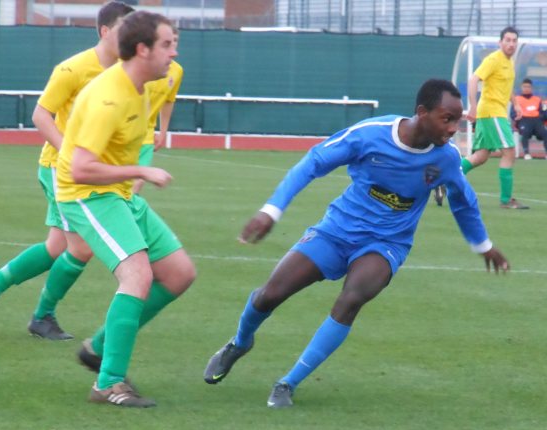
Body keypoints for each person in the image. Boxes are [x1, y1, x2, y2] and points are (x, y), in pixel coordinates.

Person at [203, 79, 510, 409]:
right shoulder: (371, 134)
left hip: (386, 243)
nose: (453, 129)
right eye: (446, 119)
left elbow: (464, 202)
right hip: (336, 231)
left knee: (351, 299)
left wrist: (483, 246)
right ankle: (239, 343)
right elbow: (313, 163)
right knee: (270, 295)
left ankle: (287, 383)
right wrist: (271, 210)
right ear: (421, 113)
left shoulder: (446, 159)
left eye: (457, 120)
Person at [0, 1, 135, 339]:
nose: (132, 39)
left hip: (85, 171)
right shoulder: (72, 69)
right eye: (125, 31)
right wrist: (69, 153)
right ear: (104, 31)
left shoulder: (123, 71)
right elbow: (41, 115)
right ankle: (41, 315)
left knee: (57, 247)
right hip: (60, 169)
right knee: (80, 248)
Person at [56, 11, 194, 408]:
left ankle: (99, 347)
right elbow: (81, 168)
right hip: (87, 194)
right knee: (138, 275)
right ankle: (108, 384)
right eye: (167, 44)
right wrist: (141, 170)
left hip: (117, 193)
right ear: (142, 49)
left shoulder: (144, 86)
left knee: (180, 274)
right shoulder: (109, 97)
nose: (174, 53)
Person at [462, 26, 528, 209]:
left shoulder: (509, 63)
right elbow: (474, 79)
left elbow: (507, 87)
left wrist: (515, 104)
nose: (511, 44)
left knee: (481, 156)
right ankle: (506, 200)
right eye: (507, 40)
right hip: (492, 113)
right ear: (500, 42)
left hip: (494, 113)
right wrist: (473, 106)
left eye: (514, 40)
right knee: (509, 151)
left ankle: (444, 178)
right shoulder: (493, 59)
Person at [133, 26, 183, 193]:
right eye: (167, 43)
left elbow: (168, 101)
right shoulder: (144, 65)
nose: (172, 46)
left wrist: (163, 131)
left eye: (175, 41)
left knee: (138, 182)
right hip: (126, 130)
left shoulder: (176, 71)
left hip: (147, 133)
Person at [512, 78, 547, 160]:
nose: (526, 88)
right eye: (524, 87)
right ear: (521, 87)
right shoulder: (517, 99)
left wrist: (541, 118)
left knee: (545, 133)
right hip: (523, 119)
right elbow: (512, 114)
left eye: (528, 87)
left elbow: (543, 112)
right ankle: (526, 153)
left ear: (531, 88)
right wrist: (517, 118)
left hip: (536, 120)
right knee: (525, 132)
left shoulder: (537, 99)